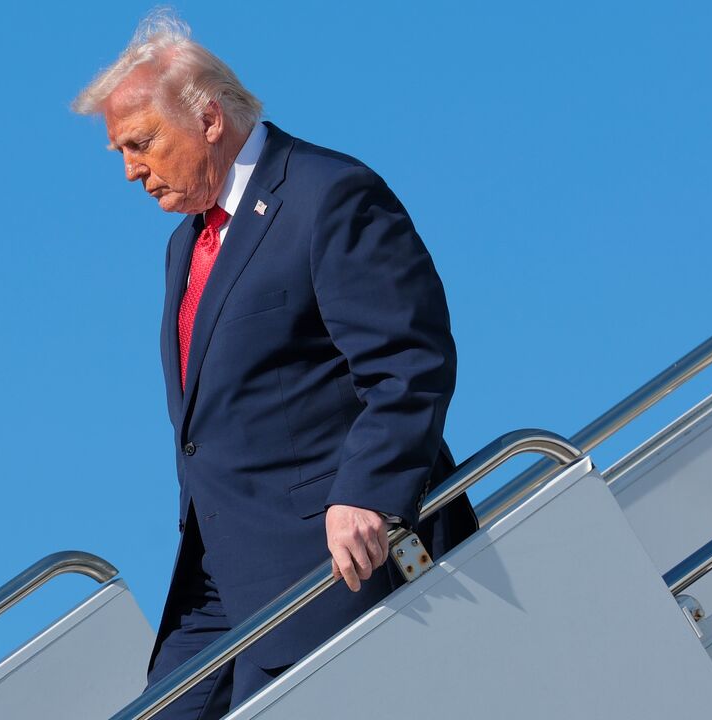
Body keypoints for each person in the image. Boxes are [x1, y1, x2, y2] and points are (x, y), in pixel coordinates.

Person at [72, 9, 478, 718]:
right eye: (121, 153)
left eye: (140, 144)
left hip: (328, 570)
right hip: (216, 582)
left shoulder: (326, 196)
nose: (132, 170)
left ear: (207, 118)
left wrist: (370, 492)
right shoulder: (184, 246)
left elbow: (410, 360)